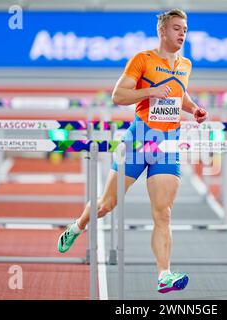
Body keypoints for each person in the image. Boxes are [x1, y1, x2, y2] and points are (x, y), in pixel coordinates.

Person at [57, 8, 208, 294]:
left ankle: (164, 275)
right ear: (162, 31)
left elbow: (179, 93)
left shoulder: (186, 64)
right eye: (176, 28)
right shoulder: (142, 60)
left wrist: (194, 109)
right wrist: (149, 92)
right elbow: (118, 96)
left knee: (163, 214)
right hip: (138, 140)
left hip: (168, 144)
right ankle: (77, 226)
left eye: (185, 29)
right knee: (105, 205)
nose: (182, 34)